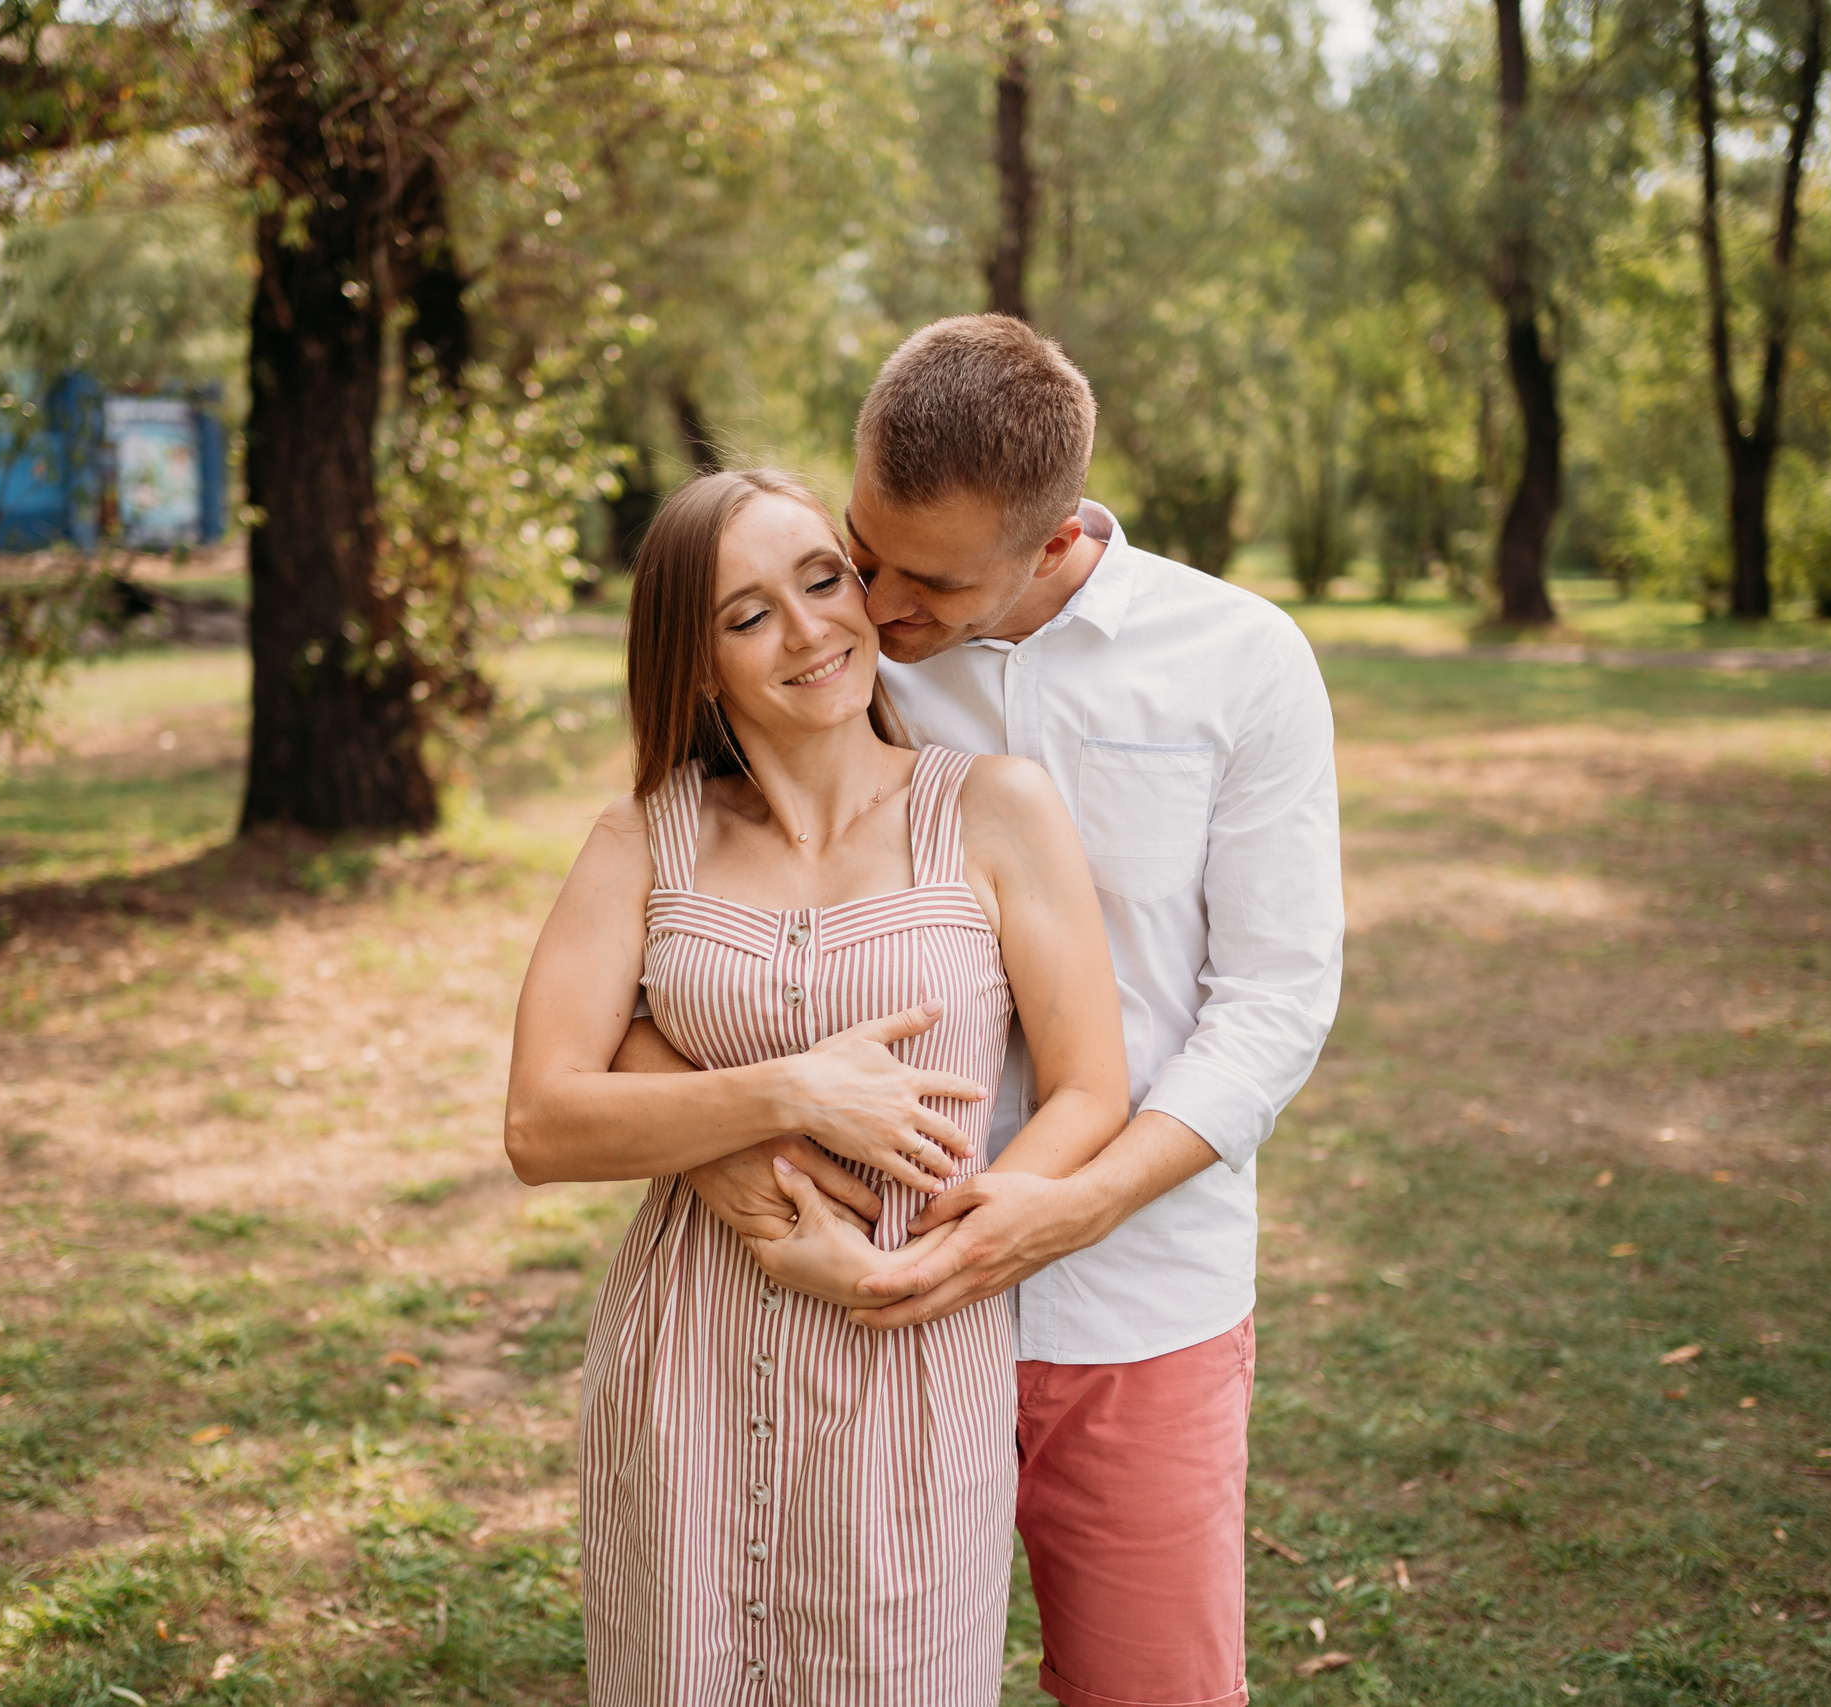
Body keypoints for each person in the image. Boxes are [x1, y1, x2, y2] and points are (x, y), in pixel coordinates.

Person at [609, 317, 1346, 1707]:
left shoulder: (1239, 661)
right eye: (858, 547)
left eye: (927, 581)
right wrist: (743, 1164)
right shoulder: (829, 641)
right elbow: (663, 931)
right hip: (840, 1297)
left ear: (1057, 538)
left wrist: (1077, 1201)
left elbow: (1276, 1000)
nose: (872, 606)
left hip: (1132, 1298)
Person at [503, 466, 1132, 1703]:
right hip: (684, 1356)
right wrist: (788, 1093)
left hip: (908, 1362)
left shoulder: (993, 810)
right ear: (695, 664)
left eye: (821, 579)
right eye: (747, 616)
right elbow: (541, 1120)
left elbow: (1087, 1093)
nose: (809, 632)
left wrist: (921, 1268)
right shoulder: (645, 838)